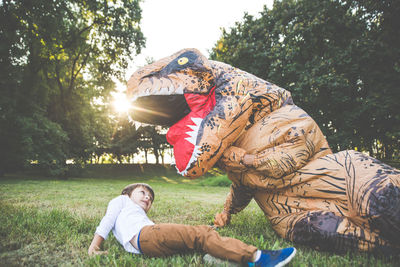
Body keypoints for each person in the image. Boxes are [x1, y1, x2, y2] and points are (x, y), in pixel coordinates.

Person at [88, 183, 297, 266]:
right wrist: (94, 247)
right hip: (147, 237)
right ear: (128, 193)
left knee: (200, 236)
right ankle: (258, 257)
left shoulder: (138, 216)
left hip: (147, 245)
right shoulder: (121, 201)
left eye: (150, 197)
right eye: (143, 192)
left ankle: (219, 257)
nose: (147, 198)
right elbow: (107, 221)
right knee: (199, 235)